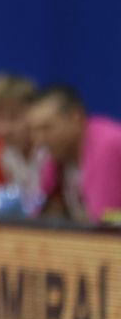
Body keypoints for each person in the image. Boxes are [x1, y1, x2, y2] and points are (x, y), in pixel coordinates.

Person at [29, 84, 121, 224]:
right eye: (35, 130)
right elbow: (39, 213)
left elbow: (105, 223)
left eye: (47, 128)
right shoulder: (58, 155)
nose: (40, 140)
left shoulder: (108, 144)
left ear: (75, 118)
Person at [0, 71, 44, 191]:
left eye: (14, 117)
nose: (4, 130)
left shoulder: (50, 152)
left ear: (35, 112)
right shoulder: (3, 153)